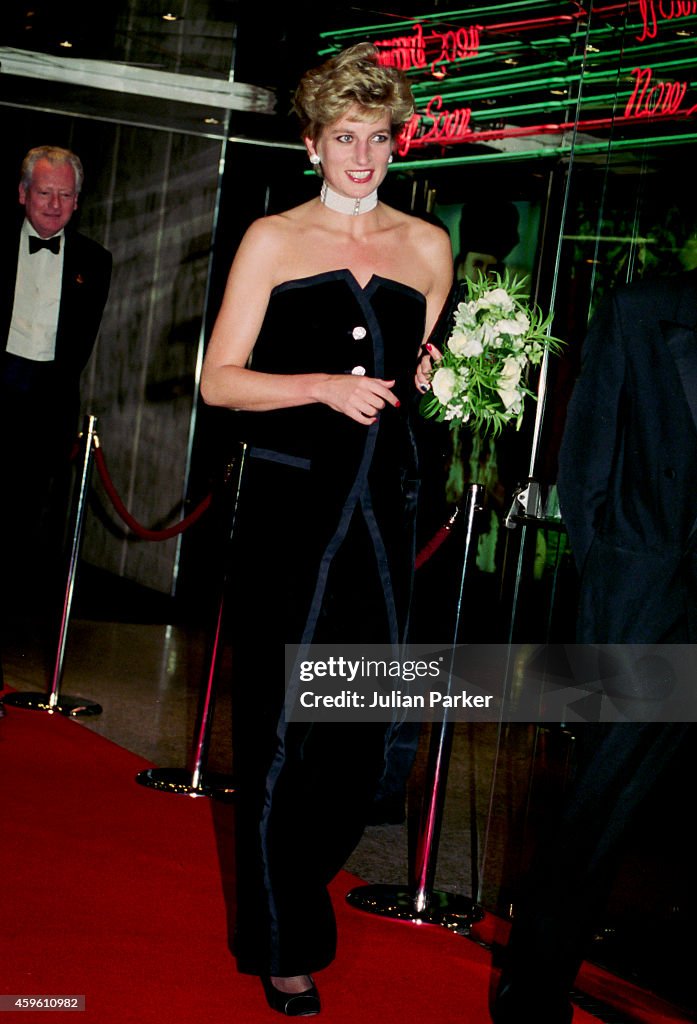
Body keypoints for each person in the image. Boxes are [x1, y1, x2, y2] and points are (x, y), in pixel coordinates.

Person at [200, 43, 453, 1016]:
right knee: (276, 733)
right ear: (312, 144)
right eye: (344, 137)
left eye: (378, 138)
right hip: (290, 506)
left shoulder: (428, 247)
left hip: (385, 512)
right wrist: (314, 385)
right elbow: (219, 379)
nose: (363, 156)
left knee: (371, 731)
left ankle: (295, 875)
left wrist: (435, 378)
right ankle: (281, 939)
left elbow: (415, 373)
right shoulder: (272, 238)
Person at [489, 269, 695, 1023]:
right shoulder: (644, 309)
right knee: (598, 810)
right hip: (647, 602)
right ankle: (532, 992)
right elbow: (586, 461)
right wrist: (614, 580)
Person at [0, 145, 112, 648]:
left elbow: (79, 347)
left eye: (65, 194)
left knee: (18, 533)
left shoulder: (96, 260)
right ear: (23, 194)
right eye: (45, 192)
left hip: (46, 411)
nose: (54, 203)